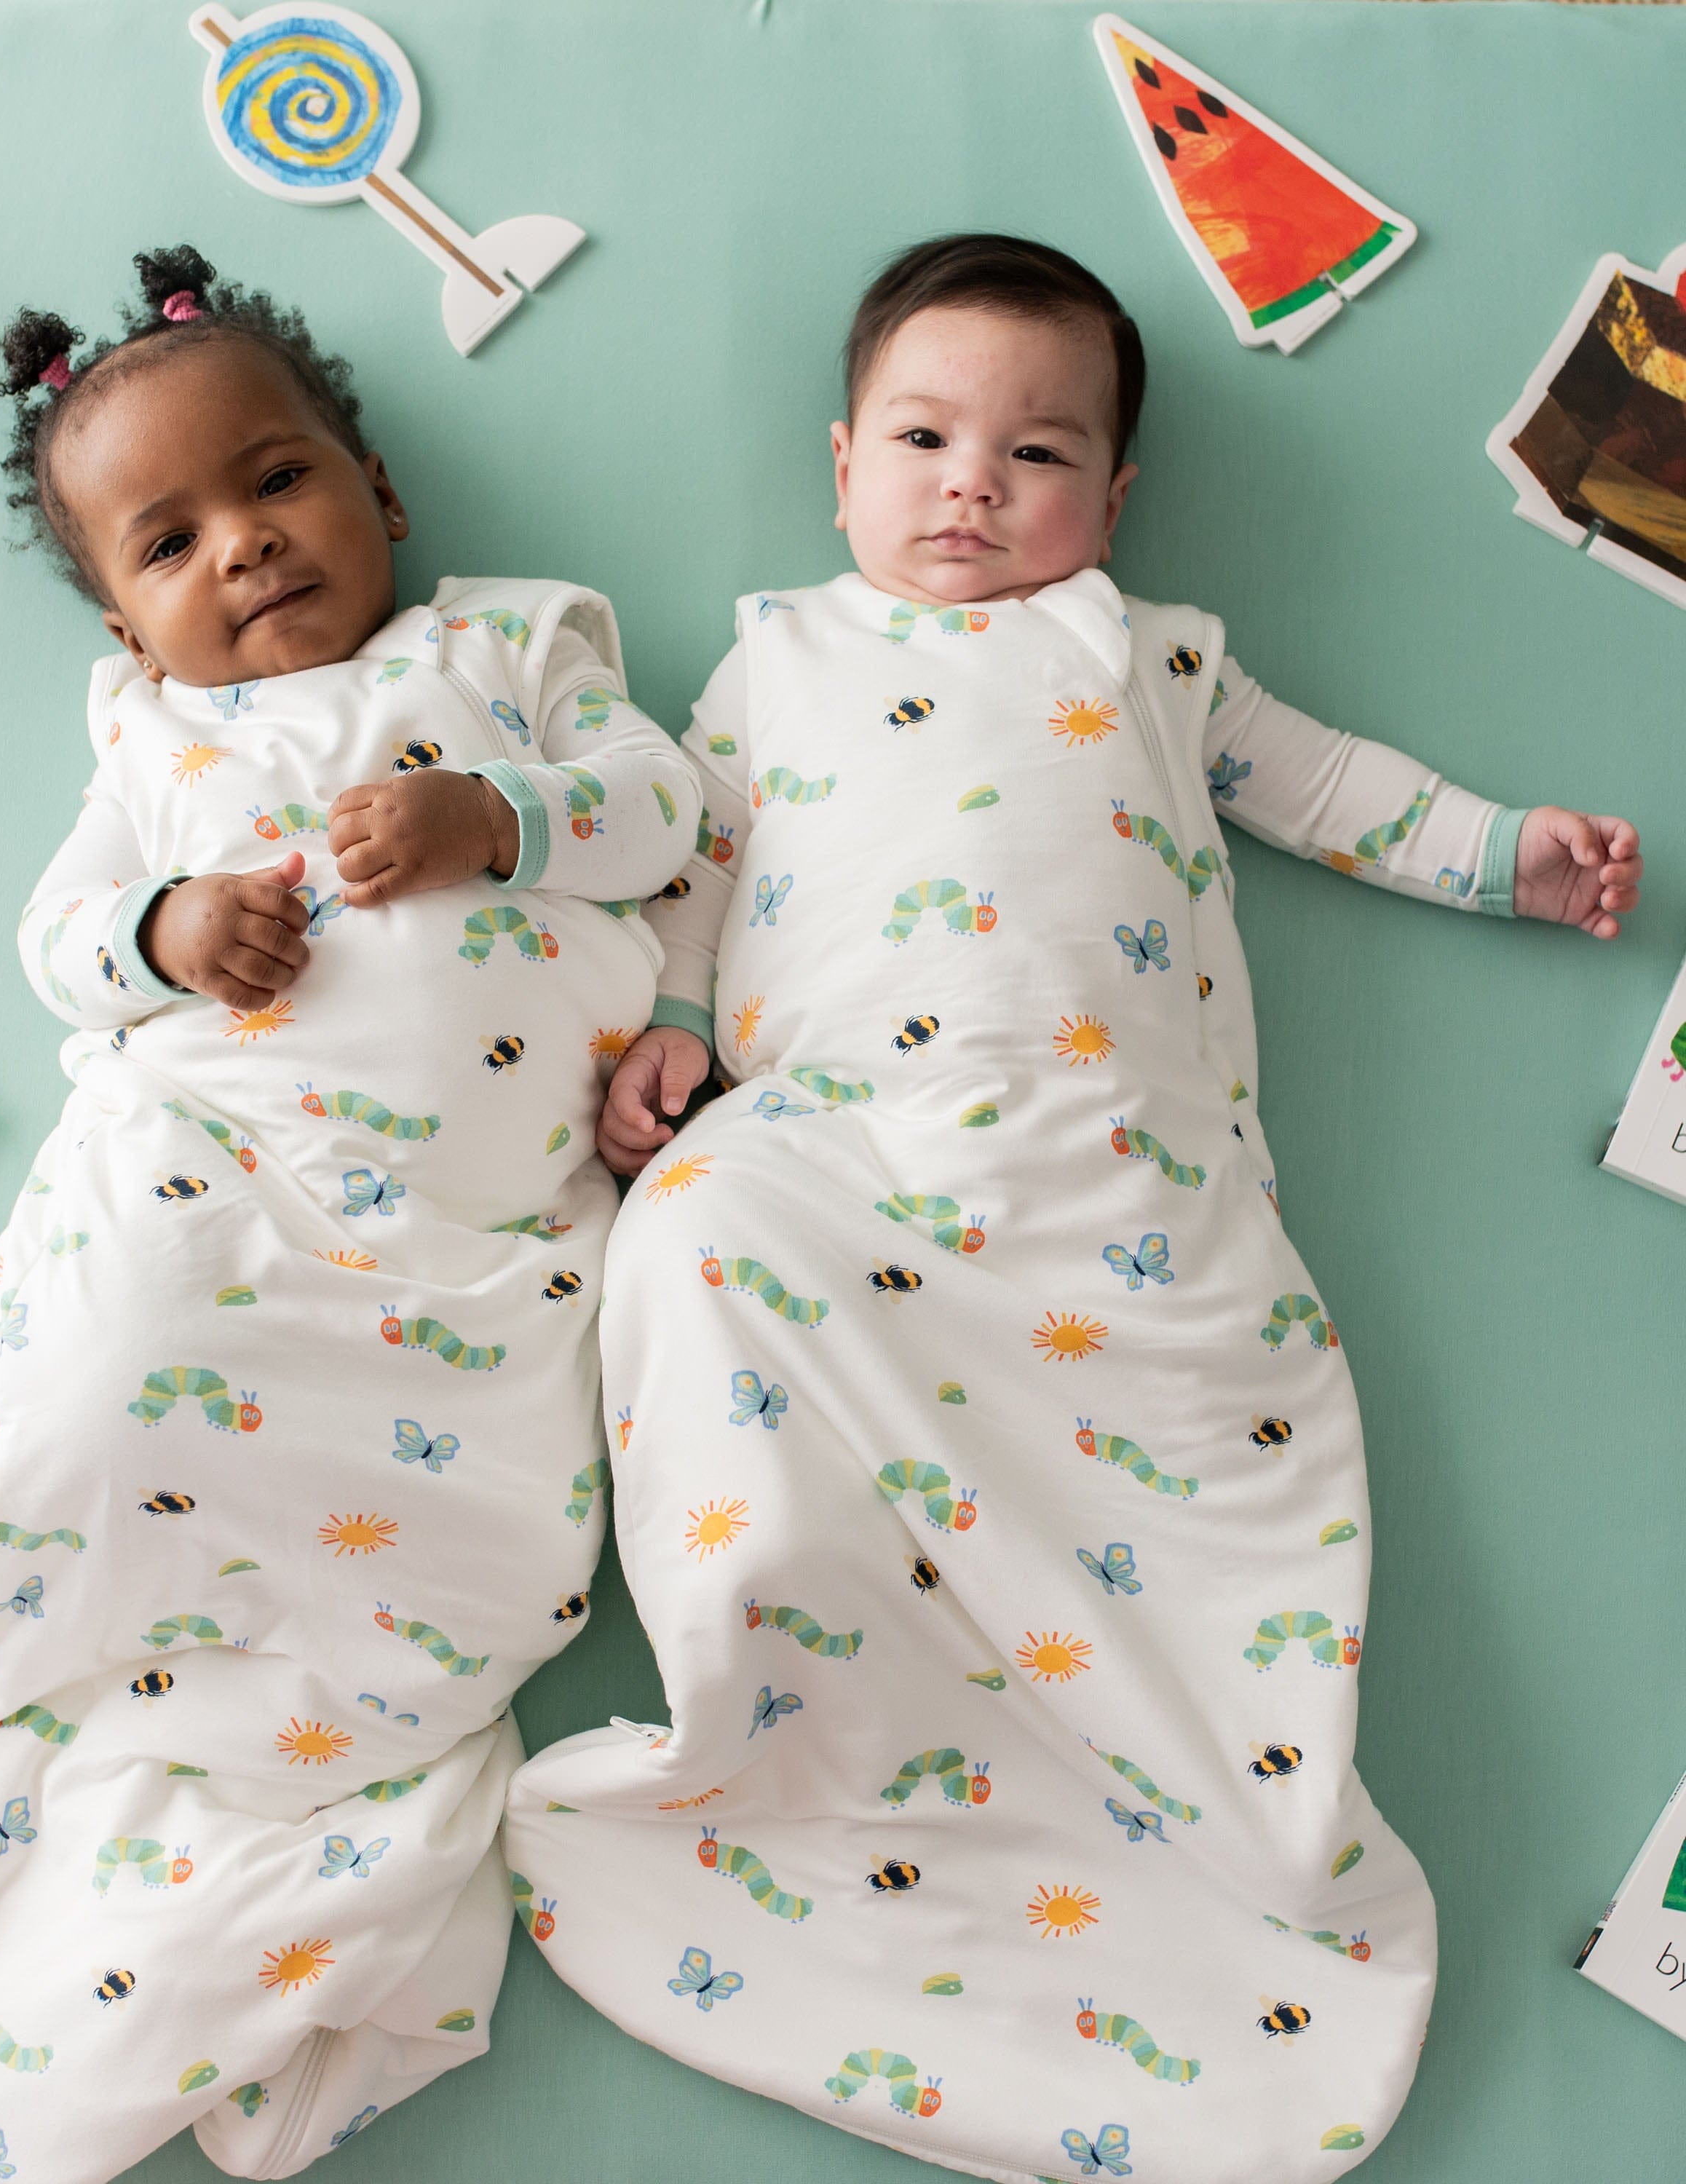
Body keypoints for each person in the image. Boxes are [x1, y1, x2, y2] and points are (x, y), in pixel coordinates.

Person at [504, 232, 1641, 2183]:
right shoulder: (778, 656)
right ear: (841, 460)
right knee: (690, 1231)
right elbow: (702, 857)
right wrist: (675, 1028)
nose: (973, 482)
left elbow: (1332, 789)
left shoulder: (1154, 652)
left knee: (1193, 1475)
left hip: (1114, 1169)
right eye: (928, 436)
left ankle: (1165, 1832)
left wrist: (1504, 857)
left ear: (1109, 505)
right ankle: (776, 1695)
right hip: (843, 1145)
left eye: (1037, 456)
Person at [0, 243, 691, 2184]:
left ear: (382, 496)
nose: (244, 549)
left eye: (277, 481)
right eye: (168, 541)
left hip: (466, 1273)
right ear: (123, 619)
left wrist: (493, 814)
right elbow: (60, 944)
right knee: (101, 1368)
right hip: (222, 1191)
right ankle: (12, 1639)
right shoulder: (158, 749)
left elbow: (666, 808)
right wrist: (169, 933)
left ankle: (239, 1812)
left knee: (499, 1556)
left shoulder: (505, 658)